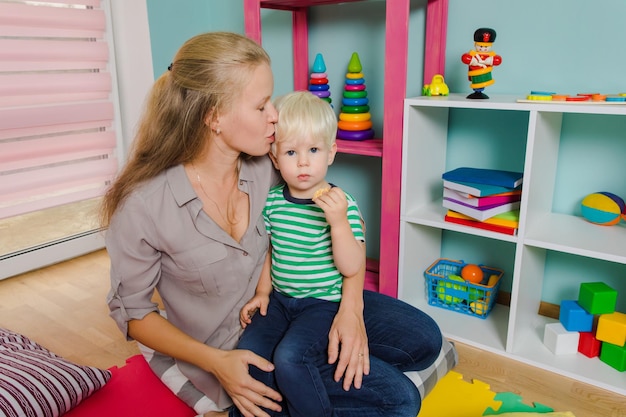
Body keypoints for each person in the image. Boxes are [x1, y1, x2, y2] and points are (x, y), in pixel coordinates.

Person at [101, 31, 443, 417]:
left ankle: (315, 369)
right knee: (399, 400)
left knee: (425, 341)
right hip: (240, 345)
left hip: (301, 302)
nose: (274, 115)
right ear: (213, 116)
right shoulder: (143, 205)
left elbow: (341, 225)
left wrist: (351, 308)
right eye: (262, 105)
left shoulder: (267, 164)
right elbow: (134, 314)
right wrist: (215, 362)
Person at [238, 91, 367, 417]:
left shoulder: (342, 204)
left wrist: (338, 223)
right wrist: (263, 291)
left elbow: (352, 266)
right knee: (250, 351)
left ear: (331, 153)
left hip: (322, 304)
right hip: (281, 300)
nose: (304, 162)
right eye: (292, 152)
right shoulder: (272, 202)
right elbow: (270, 249)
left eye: (313, 150)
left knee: (290, 358)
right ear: (275, 158)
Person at [461, 27, 502, 99]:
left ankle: (480, 90)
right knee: (476, 82)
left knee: (481, 83)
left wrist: (490, 60)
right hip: (474, 75)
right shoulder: (473, 54)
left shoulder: (491, 55)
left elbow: (498, 60)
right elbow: (464, 58)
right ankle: (477, 91)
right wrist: (473, 61)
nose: (483, 49)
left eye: (486, 47)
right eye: (480, 46)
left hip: (485, 76)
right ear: (475, 45)